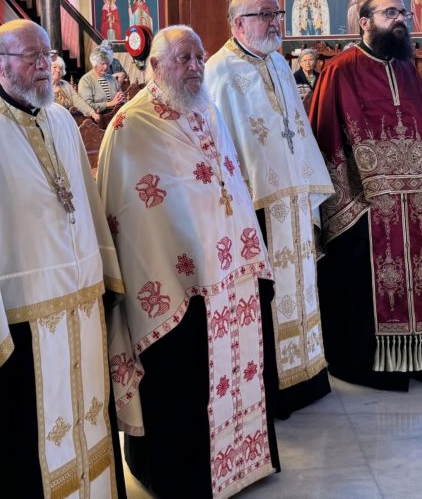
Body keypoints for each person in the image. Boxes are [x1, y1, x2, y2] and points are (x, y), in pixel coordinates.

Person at [0, 19, 125, 498]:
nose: (45, 68)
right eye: (31, 58)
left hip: (80, 304)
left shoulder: (61, 120)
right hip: (16, 320)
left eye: (47, 56)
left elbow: (85, 208)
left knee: (89, 422)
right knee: (23, 442)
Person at [98, 25, 279, 498]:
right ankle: (179, 475)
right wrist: (178, 263)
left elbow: (231, 185)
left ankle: (241, 460)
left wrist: (249, 251)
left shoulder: (207, 109)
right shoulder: (130, 126)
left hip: (229, 274)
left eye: (199, 57)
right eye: (183, 58)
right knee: (180, 385)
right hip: (172, 284)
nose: (196, 66)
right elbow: (129, 215)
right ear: (154, 67)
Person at [307, 0, 422, 391]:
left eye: (402, 13)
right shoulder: (340, 70)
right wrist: (351, 197)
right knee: (364, 274)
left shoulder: (407, 66)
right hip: (365, 205)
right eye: (390, 13)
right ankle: (369, 362)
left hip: (416, 203)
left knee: (420, 277)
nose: (400, 20)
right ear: (364, 21)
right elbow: (326, 138)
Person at [205, 0, 335, 419]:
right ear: (237, 24)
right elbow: (223, 147)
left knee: (302, 287)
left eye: (276, 13)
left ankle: (309, 373)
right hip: (256, 205)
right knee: (270, 296)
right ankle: (274, 389)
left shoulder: (280, 62)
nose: (275, 21)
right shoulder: (219, 72)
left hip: (293, 199)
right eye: (265, 15)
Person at [79, 47, 124, 114]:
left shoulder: (112, 79)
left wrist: (122, 98)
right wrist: (109, 104)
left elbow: (121, 97)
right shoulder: (85, 81)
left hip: (116, 116)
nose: (106, 67)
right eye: (102, 64)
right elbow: (87, 106)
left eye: (107, 63)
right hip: (98, 119)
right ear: (94, 64)